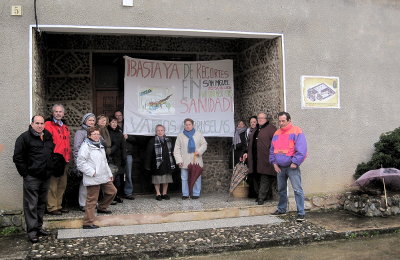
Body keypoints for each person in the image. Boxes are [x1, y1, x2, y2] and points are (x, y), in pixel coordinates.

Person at [13, 115, 54, 243]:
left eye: (42, 123)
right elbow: (17, 157)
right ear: (31, 124)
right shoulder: (24, 138)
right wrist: (25, 173)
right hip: (32, 177)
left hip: (45, 176)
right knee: (31, 204)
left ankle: (38, 228)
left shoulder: (47, 135)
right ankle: (31, 232)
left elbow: (50, 152)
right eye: (37, 123)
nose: (40, 125)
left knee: (41, 204)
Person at [77, 126, 117, 229]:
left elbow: (104, 162)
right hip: (93, 177)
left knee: (112, 191)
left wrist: (109, 174)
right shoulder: (85, 146)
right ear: (89, 135)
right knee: (92, 200)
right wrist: (92, 172)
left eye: (98, 134)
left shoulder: (100, 145)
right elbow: (80, 163)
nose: (96, 136)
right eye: (94, 134)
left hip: (103, 175)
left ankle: (102, 207)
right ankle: (88, 222)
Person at [270, 112, 307, 222]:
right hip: (279, 167)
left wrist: (295, 162)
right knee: (281, 189)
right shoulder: (276, 133)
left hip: (292, 167)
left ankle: (301, 212)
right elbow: (272, 150)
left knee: (297, 190)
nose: (281, 123)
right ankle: (282, 209)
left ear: (289, 120)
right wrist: (274, 163)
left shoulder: (297, 131)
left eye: (283, 121)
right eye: (279, 121)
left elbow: (302, 149)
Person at [242, 113, 277, 205]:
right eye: (259, 118)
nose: (260, 120)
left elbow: (275, 143)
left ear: (266, 119)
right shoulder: (255, 129)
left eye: (262, 118)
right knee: (255, 177)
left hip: (265, 158)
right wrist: (246, 152)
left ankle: (261, 197)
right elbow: (250, 143)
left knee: (265, 177)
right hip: (254, 159)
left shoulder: (271, 129)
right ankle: (260, 195)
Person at [45, 104, 71, 215]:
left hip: (64, 159)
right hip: (54, 159)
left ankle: (58, 205)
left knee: (62, 184)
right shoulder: (48, 125)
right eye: (56, 111)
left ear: (63, 113)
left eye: (60, 111)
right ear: (53, 113)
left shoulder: (64, 126)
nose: (58, 113)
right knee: (52, 185)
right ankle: (52, 207)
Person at [174, 118, 207, 199]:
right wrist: (179, 160)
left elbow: (204, 144)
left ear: (192, 125)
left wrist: (199, 151)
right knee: (184, 178)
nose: (188, 126)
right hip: (184, 160)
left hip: (196, 160)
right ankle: (185, 194)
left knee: (196, 177)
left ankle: (196, 193)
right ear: (184, 126)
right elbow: (176, 149)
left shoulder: (198, 134)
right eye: (186, 125)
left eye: (189, 124)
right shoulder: (180, 136)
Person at [145, 124, 175, 200]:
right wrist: (147, 165)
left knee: (166, 179)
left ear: (164, 131)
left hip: (167, 162)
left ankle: (164, 193)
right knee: (157, 179)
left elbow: (172, 152)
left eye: (161, 130)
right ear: (156, 132)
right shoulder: (152, 141)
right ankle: (158, 194)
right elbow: (148, 153)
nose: (160, 132)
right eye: (158, 130)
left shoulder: (169, 140)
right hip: (156, 163)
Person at [73, 113, 96, 212]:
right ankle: (83, 203)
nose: (91, 122)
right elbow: (76, 148)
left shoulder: (95, 131)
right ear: (85, 121)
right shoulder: (80, 132)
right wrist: (78, 163)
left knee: (94, 183)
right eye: (89, 120)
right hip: (84, 162)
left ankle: (92, 202)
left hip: (94, 161)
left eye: (93, 120)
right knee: (85, 183)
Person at [114, 110, 135, 200]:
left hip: (128, 153)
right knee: (117, 174)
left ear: (123, 116)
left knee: (128, 174)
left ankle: (128, 192)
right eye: (116, 115)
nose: (119, 117)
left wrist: (128, 137)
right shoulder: (113, 127)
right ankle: (116, 194)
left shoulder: (129, 126)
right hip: (117, 155)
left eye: (120, 115)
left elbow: (135, 139)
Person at [108, 116, 126, 203]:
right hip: (111, 158)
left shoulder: (119, 133)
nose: (114, 124)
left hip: (119, 159)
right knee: (111, 179)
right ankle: (110, 197)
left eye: (115, 122)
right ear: (109, 123)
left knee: (118, 179)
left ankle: (116, 196)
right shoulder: (107, 132)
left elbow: (123, 146)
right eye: (112, 122)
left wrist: (124, 158)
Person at [245, 115, 258, 199]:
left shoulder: (259, 131)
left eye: (254, 122)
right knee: (250, 174)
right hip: (250, 156)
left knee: (257, 175)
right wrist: (245, 152)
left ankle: (258, 194)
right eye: (251, 122)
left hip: (257, 156)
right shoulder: (248, 131)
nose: (253, 124)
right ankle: (252, 193)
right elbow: (246, 144)